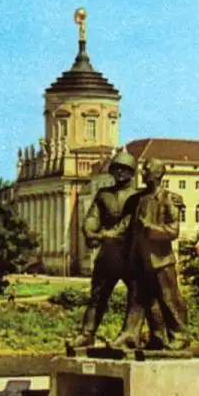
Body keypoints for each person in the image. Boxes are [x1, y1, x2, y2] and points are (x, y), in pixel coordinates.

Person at [113, 158, 189, 350]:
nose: (143, 172)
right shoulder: (139, 199)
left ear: (157, 173)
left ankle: (180, 336)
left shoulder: (168, 198)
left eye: (147, 169)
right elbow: (127, 227)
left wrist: (150, 229)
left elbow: (173, 231)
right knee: (139, 300)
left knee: (168, 299)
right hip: (139, 259)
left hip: (160, 260)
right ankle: (141, 336)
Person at [68, 149, 138, 348]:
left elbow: (129, 223)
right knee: (98, 296)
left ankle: (132, 335)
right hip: (108, 255)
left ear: (132, 173)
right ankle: (87, 333)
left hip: (130, 256)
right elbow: (92, 217)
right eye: (116, 169)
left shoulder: (138, 198)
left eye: (125, 170)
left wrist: (108, 235)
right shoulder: (103, 195)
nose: (120, 173)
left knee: (136, 297)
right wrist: (89, 231)